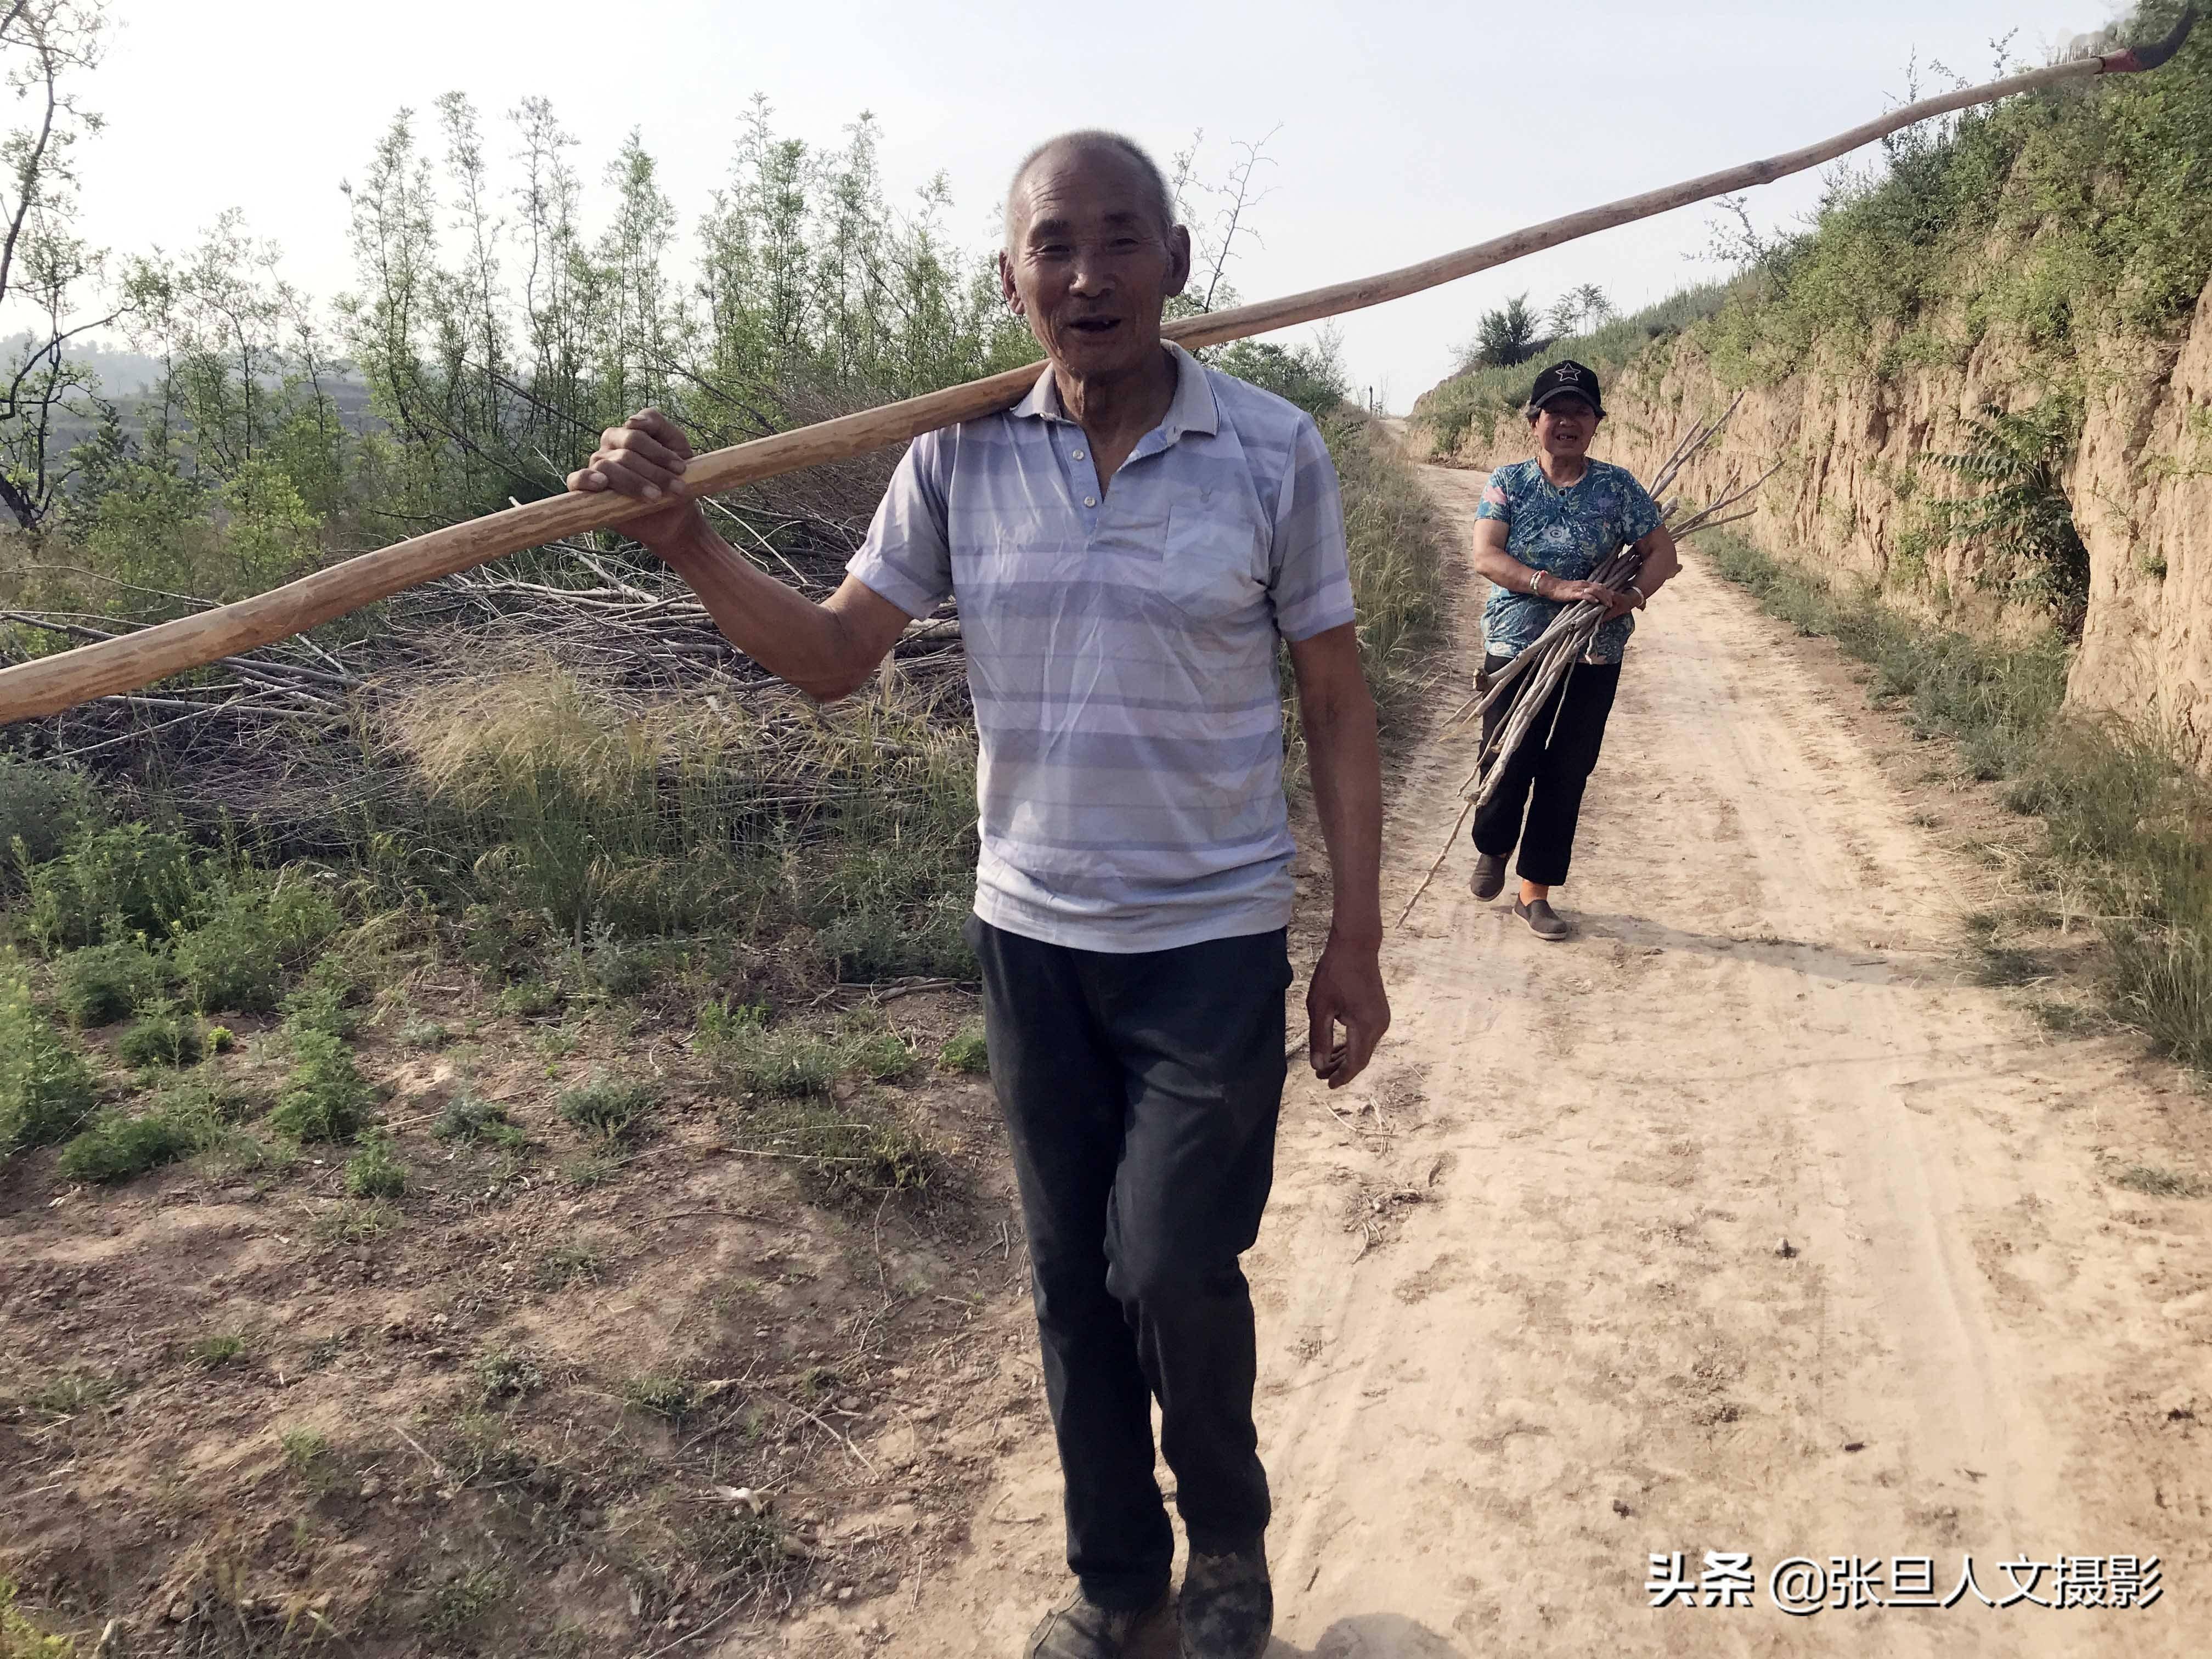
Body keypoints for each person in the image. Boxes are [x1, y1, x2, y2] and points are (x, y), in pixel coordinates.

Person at [566, 130, 1390, 1659]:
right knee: (1071, 1278)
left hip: (1208, 938)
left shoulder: (1271, 450)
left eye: (1122, 240)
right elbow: (829, 659)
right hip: (1032, 937)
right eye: (1055, 246)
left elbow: (1336, 702)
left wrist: (1352, 934)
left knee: (1169, 1264)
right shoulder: (954, 455)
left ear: (1178, 263)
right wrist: (682, 540)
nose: (1090, 276)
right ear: (1010, 279)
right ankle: (1115, 1575)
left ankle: (1227, 1551)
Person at [1465, 359, 1679, 940]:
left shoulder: (1618, 488)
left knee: (1567, 770)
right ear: (1534, 420)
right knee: (1507, 756)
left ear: (1596, 423)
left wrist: (1630, 595)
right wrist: (1556, 587)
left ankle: (1535, 892)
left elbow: (1664, 553)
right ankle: (1494, 843)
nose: (1568, 421)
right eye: (1556, 410)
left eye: (1580, 411)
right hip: (1517, 645)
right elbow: (1487, 556)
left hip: (1595, 650)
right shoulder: (1507, 482)